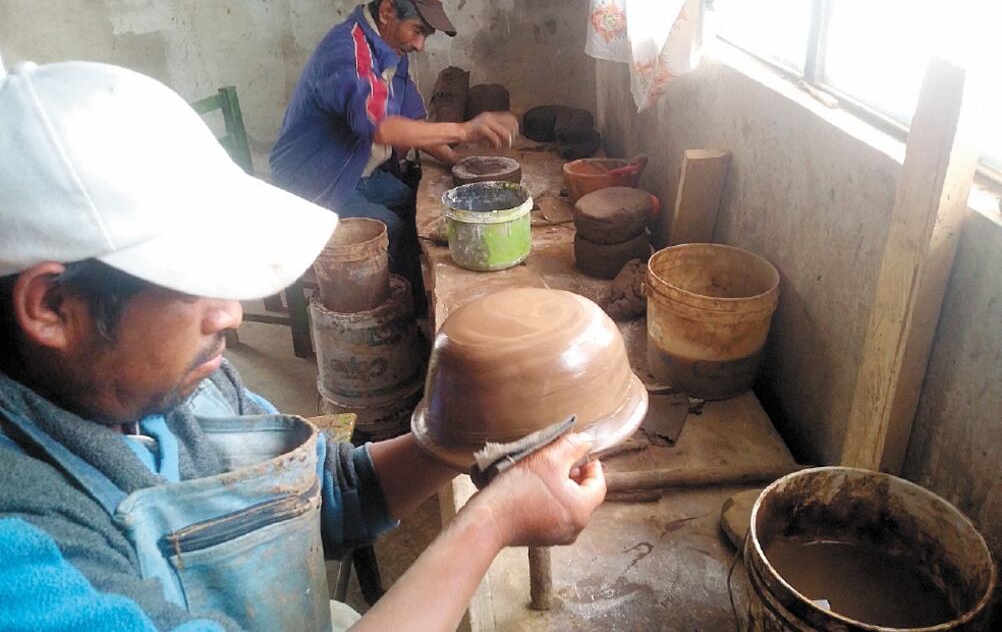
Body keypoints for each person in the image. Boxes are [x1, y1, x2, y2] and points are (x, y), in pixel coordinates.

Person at [0, 58, 604, 631]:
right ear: (52, 307)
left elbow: (330, 494)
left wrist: (454, 438)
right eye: (192, 282)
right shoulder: (23, 550)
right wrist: (491, 523)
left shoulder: (174, 382)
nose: (231, 313)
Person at [269, 0, 518, 296]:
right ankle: (408, 321)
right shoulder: (347, 50)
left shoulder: (392, 52)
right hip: (315, 186)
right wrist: (464, 129)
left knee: (429, 210)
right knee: (399, 231)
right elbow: (384, 128)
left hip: (363, 175)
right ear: (387, 11)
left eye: (426, 35)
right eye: (417, 30)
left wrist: (457, 164)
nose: (420, 45)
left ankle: (414, 298)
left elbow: (413, 126)